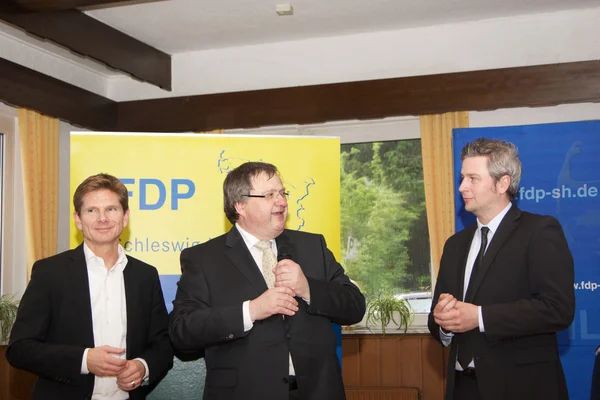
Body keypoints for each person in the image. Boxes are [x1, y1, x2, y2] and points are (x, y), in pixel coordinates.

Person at [169, 161, 365, 400]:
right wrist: (250, 311)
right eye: (269, 194)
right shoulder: (203, 259)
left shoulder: (313, 246)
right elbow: (182, 332)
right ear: (240, 205)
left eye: (282, 193)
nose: (281, 201)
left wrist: (308, 288)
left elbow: (355, 307)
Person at [428, 138, 575, 400]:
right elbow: (436, 320)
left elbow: (557, 309)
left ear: (503, 183)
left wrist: (480, 317)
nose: (462, 187)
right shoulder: (455, 245)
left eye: (473, 178)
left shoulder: (539, 232)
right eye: (462, 177)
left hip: (521, 387)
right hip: (462, 387)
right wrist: (444, 322)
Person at [6, 173, 173, 400]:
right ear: (78, 219)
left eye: (111, 209)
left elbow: (162, 344)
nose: (102, 219)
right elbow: (19, 349)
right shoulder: (49, 273)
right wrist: (84, 360)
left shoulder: (145, 276)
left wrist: (143, 366)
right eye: (92, 210)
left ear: (125, 217)